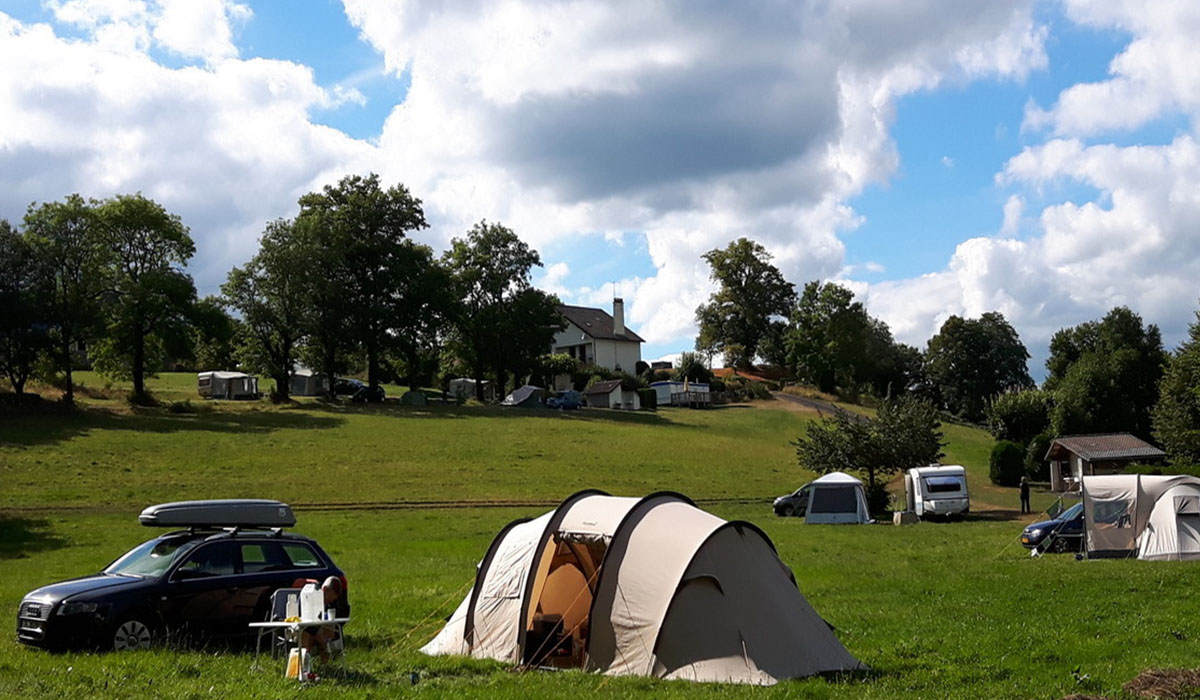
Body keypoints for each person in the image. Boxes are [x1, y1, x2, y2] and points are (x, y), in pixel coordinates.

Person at [302, 576, 349, 663]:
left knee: (327, 635)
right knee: (318, 639)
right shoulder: (312, 594)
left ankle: (325, 665)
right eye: (333, 596)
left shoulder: (327, 603)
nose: (333, 600)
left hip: (316, 627)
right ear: (326, 589)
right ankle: (305, 664)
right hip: (304, 626)